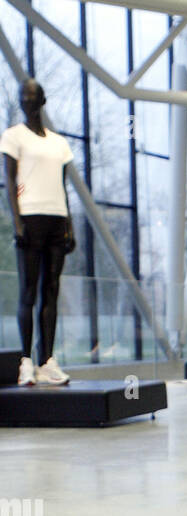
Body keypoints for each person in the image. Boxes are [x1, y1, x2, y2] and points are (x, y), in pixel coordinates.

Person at [1, 78, 75, 386]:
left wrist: (69, 223)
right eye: (23, 97)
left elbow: (63, 186)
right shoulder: (13, 136)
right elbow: (9, 181)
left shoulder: (59, 143)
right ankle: (26, 362)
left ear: (42, 100)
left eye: (32, 96)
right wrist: (17, 222)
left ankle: (47, 360)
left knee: (51, 291)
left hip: (57, 217)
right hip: (30, 218)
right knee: (29, 291)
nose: (27, 101)